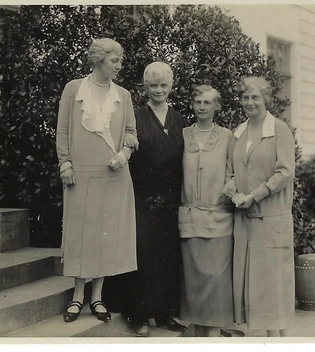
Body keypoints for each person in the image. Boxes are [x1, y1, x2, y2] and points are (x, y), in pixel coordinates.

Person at [56, 38, 138, 323]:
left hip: (112, 175)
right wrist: (64, 162)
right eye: (115, 60)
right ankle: (77, 297)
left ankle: (97, 298)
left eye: (120, 60)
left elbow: (130, 134)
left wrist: (124, 154)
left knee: (105, 235)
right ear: (99, 59)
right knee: (81, 234)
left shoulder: (123, 96)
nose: (119, 65)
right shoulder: (73, 89)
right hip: (80, 174)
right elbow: (63, 130)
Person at [103, 62, 188, 337]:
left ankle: (164, 313)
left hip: (172, 198)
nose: (159, 90)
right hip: (142, 197)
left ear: (171, 86)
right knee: (143, 254)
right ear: (145, 87)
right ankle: (139, 315)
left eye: (163, 85)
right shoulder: (136, 116)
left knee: (167, 255)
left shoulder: (180, 120)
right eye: (153, 85)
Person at [230, 76, 296, 337]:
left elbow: (284, 173)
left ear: (266, 100)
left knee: (275, 290)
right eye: (245, 97)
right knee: (258, 291)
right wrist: (233, 189)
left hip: (271, 220)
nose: (249, 102)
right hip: (246, 221)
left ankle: (281, 342)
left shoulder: (279, 129)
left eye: (255, 97)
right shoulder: (239, 132)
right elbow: (233, 171)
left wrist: (254, 195)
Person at [178, 85, 236, 337]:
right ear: (192, 105)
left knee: (216, 279)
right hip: (190, 218)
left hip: (219, 217)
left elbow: (235, 171)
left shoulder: (227, 137)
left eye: (207, 103)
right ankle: (201, 336)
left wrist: (231, 181)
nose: (202, 107)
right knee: (195, 280)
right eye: (198, 102)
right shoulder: (183, 135)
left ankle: (212, 338)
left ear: (217, 107)